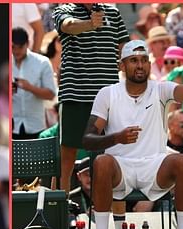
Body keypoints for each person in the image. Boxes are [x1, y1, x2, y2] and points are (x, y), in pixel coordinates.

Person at [82, 40, 183, 229]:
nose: (140, 65)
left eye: (143, 60)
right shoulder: (108, 93)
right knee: (102, 162)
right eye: (133, 61)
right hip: (120, 167)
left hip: (154, 166)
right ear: (122, 66)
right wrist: (117, 138)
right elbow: (88, 140)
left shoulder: (161, 89)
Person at [52, 3, 129, 193]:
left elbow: (123, 46)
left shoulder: (113, 12)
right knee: (67, 153)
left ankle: (112, 211)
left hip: (108, 97)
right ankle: (58, 206)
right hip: (75, 95)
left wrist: (124, 61)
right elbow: (68, 25)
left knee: (110, 154)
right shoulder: (63, 10)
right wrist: (90, 24)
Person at [12, 27, 56, 139]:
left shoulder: (42, 62)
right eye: (13, 47)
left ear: (27, 44)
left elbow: (51, 94)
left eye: (20, 47)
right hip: (12, 125)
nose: (16, 51)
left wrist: (30, 88)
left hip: (35, 126)